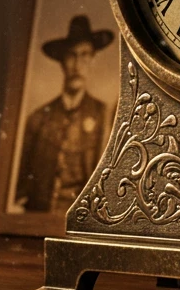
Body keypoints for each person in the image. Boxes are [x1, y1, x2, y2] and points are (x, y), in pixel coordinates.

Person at [14, 14, 115, 213]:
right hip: (39, 215)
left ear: (92, 60)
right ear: (61, 62)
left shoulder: (103, 114)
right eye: (71, 55)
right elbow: (19, 183)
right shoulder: (39, 117)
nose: (78, 64)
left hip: (82, 217)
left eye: (85, 55)